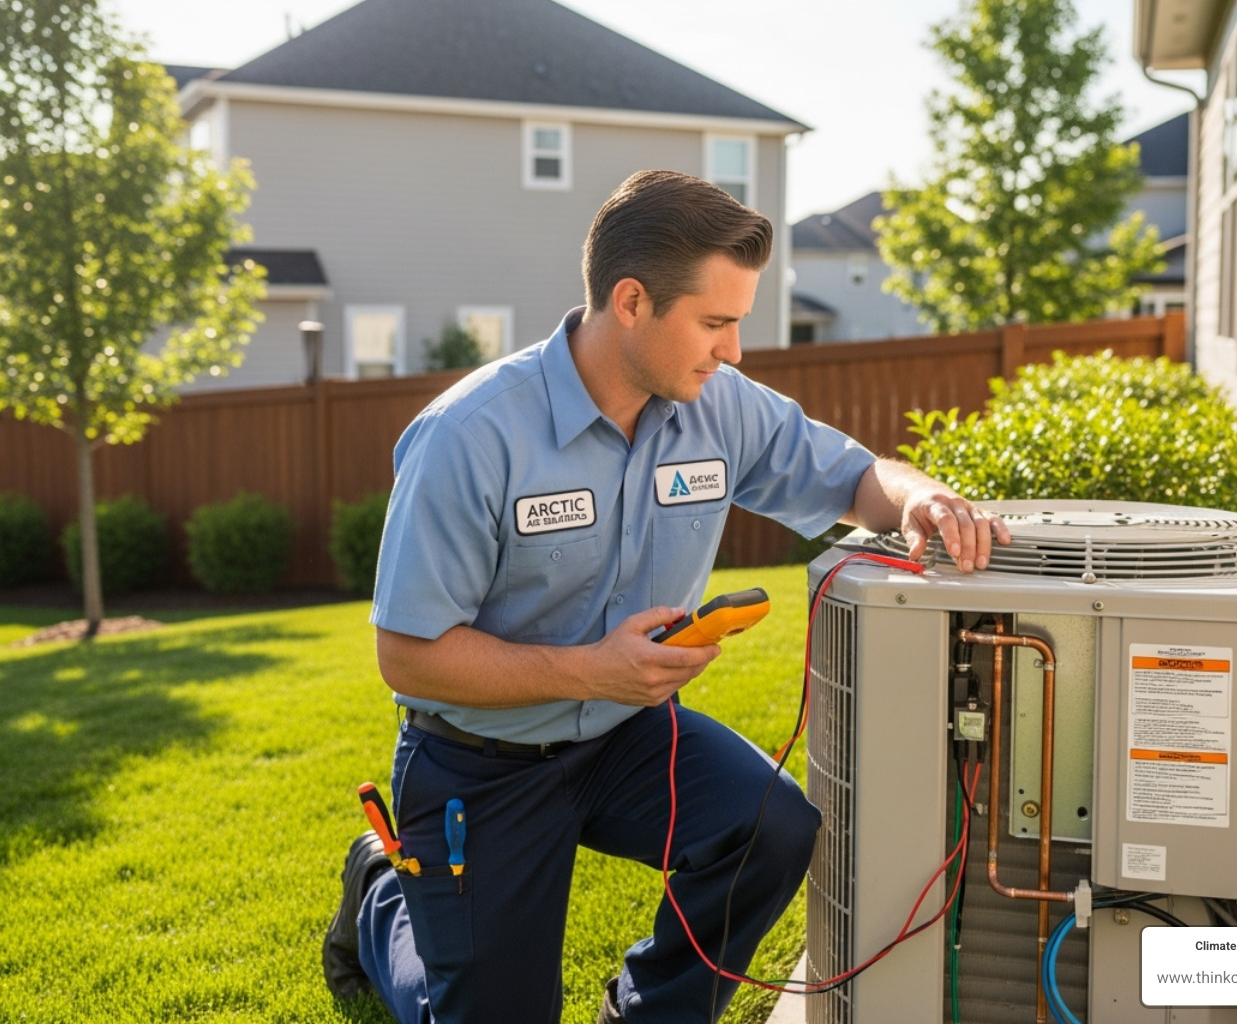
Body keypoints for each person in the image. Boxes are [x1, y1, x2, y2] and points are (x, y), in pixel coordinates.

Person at [321, 169, 1009, 1024]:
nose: (733, 351)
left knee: (770, 827)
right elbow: (408, 653)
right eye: (715, 322)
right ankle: (382, 889)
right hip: (477, 758)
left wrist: (918, 497)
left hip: (622, 738)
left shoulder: (720, 408)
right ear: (633, 301)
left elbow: (856, 478)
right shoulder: (468, 436)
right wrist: (591, 672)